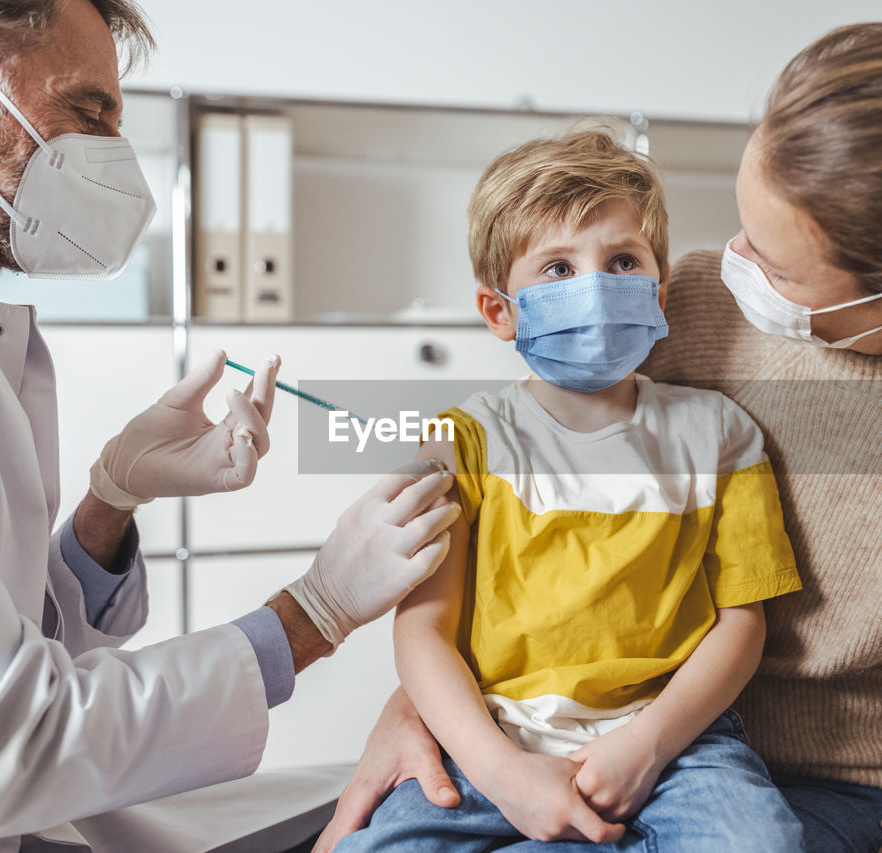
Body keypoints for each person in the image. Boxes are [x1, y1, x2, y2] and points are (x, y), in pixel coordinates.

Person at [315, 22, 882, 853]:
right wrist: (435, 717)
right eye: (741, 226)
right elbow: (529, 531)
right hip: (569, 731)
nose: (726, 265)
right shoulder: (703, 303)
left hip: (842, 793)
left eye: (772, 265)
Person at [0, 2, 459, 851]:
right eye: (87, 110)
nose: (112, 159)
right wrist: (312, 613)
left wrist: (111, 500)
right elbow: (0, 738)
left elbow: (1, 642)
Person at [336, 130, 805, 851]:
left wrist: (648, 743)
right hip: (494, 735)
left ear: (660, 290)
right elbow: (423, 629)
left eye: (622, 260)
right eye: (557, 267)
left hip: (681, 743)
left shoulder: (723, 436)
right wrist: (503, 771)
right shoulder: (462, 442)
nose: (593, 284)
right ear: (500, 312)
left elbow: (743, 623)